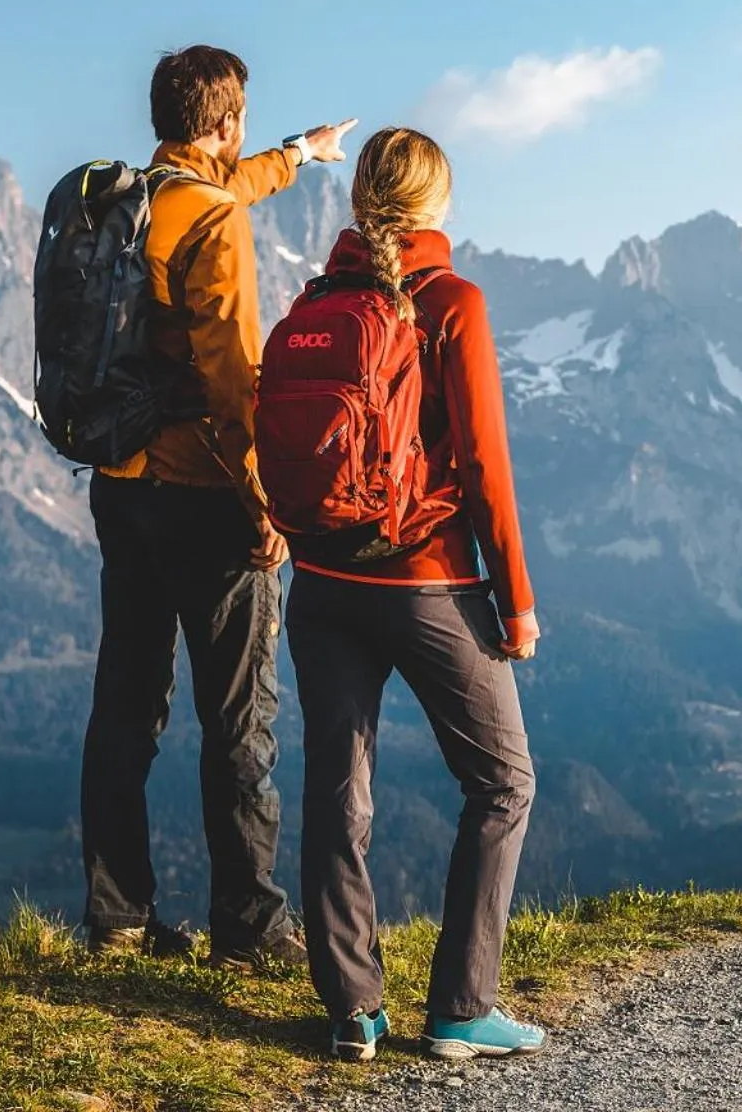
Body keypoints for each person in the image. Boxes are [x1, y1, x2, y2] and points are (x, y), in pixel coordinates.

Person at [80, 43, 354, 968]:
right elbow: (236, 384)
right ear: (225, 122)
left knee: (127, 703)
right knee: (239, 722)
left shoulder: (131, 201)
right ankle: (249, 925)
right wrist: (268, 508)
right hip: (205, 493)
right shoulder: (217, 224)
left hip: (122, 488)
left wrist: (302, 152)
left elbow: (228, 182)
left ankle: (116, 917)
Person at [282, 128, 545, 1062]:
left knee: (335, 793)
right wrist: (514, 599)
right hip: (428, 585)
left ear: (359, 200)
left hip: (317, 584)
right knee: (502, 782)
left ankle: (352, 1009)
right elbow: (484, 464)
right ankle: (461, 1006)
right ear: (439, 204)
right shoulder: (452, 303)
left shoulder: (317, 302)